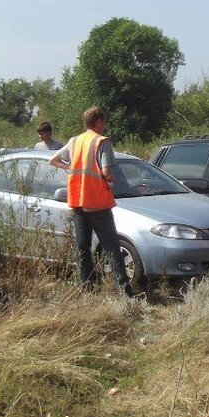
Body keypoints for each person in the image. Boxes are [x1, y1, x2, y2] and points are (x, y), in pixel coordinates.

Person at [49, 106, 134, 296]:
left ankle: (86, 289)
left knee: (83, 248)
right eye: (103, 122)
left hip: (78, 203)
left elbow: (53, 160)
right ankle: (125, 291)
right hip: (97, 203)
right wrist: (110, 178)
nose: (104, 125)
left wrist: (69, 168)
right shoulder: (102, 142)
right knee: (113, 248)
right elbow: (106, 172)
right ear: (98, 122)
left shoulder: (74, 141)